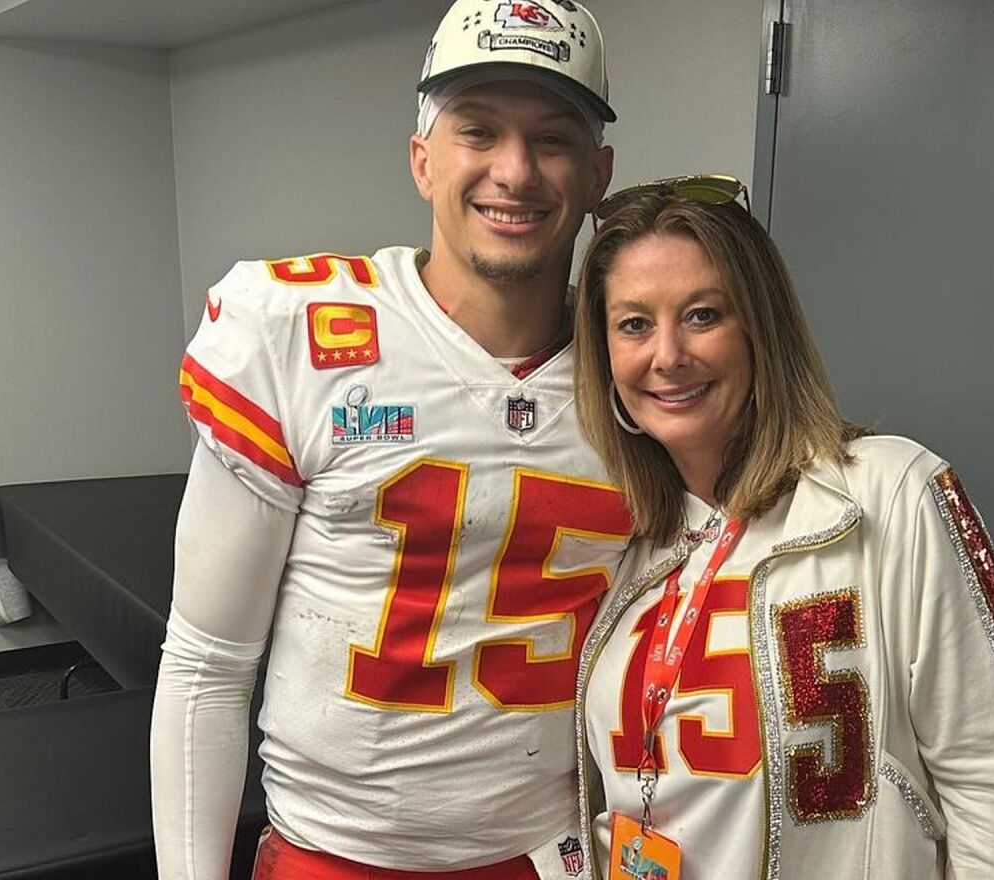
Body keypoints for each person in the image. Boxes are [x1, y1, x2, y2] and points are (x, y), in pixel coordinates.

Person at [150, 3, 632, 878]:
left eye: (552, 139)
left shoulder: (641, 369)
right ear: (423, 159)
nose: (514, 172)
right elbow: (207, 666)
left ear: (598, 173)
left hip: (550, 852)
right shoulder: (295, 330)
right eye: (478, 131)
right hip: (334, 852)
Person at [569, 176, 994, 879]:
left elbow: (991, 780)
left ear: (762, 328)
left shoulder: (888, 495)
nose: (667, 355)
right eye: (634, 323)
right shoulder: (622, 546)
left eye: (702, 315)